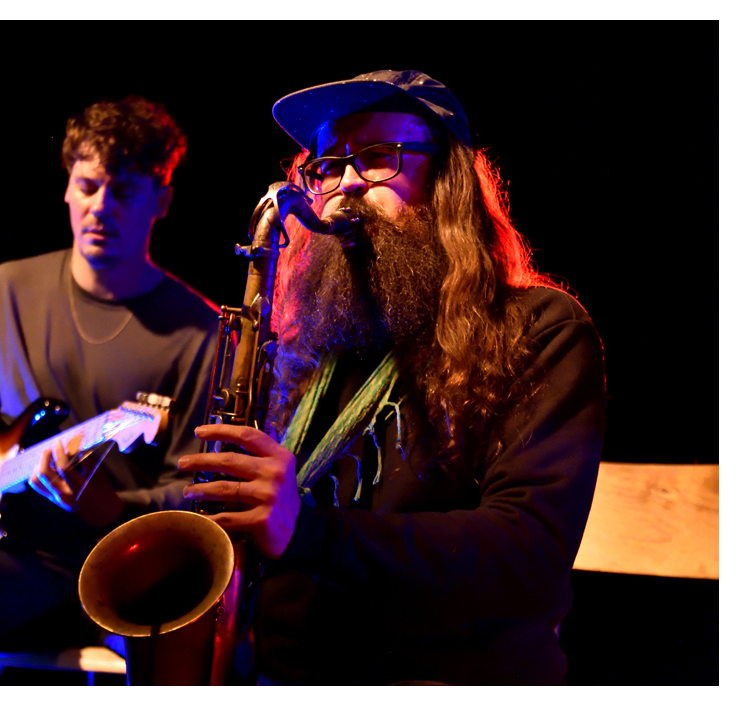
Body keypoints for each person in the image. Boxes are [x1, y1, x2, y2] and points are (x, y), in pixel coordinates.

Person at [178, 70, 606, 685]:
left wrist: (306, 531)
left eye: (378, 158)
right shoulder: (309, 348)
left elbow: (527, 556)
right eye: (327, 165)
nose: (346, 183)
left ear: (445, 182)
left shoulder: (539, 329)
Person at [0, 96, 219, 685]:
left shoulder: (200, 332)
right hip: (12, 556)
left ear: (162, 201)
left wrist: (115, 510)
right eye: (88, 186)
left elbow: (195, 492)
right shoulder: (7, 288)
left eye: (123, 192)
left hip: (121, 568)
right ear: (66, 187)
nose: (100, 208)